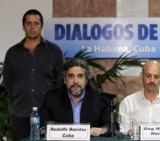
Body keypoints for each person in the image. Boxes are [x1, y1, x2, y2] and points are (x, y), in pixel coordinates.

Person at [3, 9, 64, 141]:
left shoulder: (54, 51)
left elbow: (60, 81)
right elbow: (8, 83)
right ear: (23, 26)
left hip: (47, 115)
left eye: (36, 23)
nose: (32, 27)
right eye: (29, 23)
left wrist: (52, 103)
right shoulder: (12, 53)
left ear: (41, 26)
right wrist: (19, 99)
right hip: (20, 114)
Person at [39, 58, 112, 137]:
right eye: (71, 76)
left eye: (80, 76)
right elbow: (40, 124)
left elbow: (111, 125)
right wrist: (48, 131)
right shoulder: (52, 97)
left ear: (86, 80)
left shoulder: (100, 99)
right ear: (64, 80)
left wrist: (102, 130)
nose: (75, 81)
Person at [118, 60, 160, 136]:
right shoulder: (128, 102)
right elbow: (123, 131)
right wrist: (131, 132)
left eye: (156, 77)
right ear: (141, 76)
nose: (152, 80)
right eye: (148, 76)